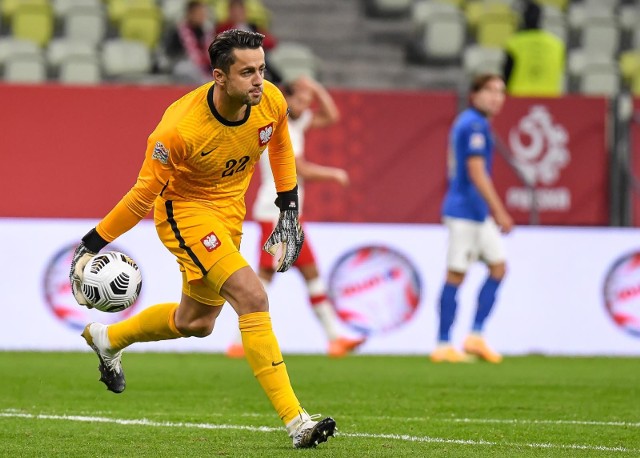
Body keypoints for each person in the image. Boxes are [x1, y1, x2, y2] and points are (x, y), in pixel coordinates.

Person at [69, 29, 336, 449]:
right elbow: (142, 197)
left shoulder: (270, 101)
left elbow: (280, 142)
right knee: (252, 296)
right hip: (185, 213)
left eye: (262, 69)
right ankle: (297, 421)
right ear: (219, 76)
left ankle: (108, 338)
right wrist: (91, 243)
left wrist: (288, 205)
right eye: (247, 72)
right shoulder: (177, 130)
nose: (258, 80)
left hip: (230, 212)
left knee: (196, 323)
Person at [226, 76, 365, 359]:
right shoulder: (280, 126)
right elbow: (299, 167)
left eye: (307, 100)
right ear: (286, 101)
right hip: (274, 209)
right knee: (264, 275)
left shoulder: (297, 122)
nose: (306, 104)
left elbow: (331, 116)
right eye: (300, 99)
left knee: (309, 272)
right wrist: (334, 174)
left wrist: (316, 87)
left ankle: (335, 339)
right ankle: (239, 341)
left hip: (289, 212)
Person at [431, 73, 514, 364]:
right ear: (474, 94)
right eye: (490, 90)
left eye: (501, 92)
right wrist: (500, 210)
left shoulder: (474, 123)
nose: (496, 97)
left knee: (499, 267)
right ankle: (442, 344)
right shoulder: (474, 124)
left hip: (477, 213)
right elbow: (476, 171)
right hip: (465, 212)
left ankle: (475, 336)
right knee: (456, 274)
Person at [503, 0, 565, 97]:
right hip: (549, 99)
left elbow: (507, 74)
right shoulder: (556, 44)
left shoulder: (515, 42)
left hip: (519, 99)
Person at [215, 0, 282, 84]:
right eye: (234, 11)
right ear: (229, 12)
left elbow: (270, 42)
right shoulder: (223, 28)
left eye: (239, 11)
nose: (237, 14)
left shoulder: (252, 26)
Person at [163, 0, 216, 85]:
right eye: (199, 13)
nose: (202, 16)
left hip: (203, 69)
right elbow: (170, 53)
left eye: (203, 13)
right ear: (190, 14)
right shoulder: (178, 32)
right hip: (183, 68)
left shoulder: (206, 32)